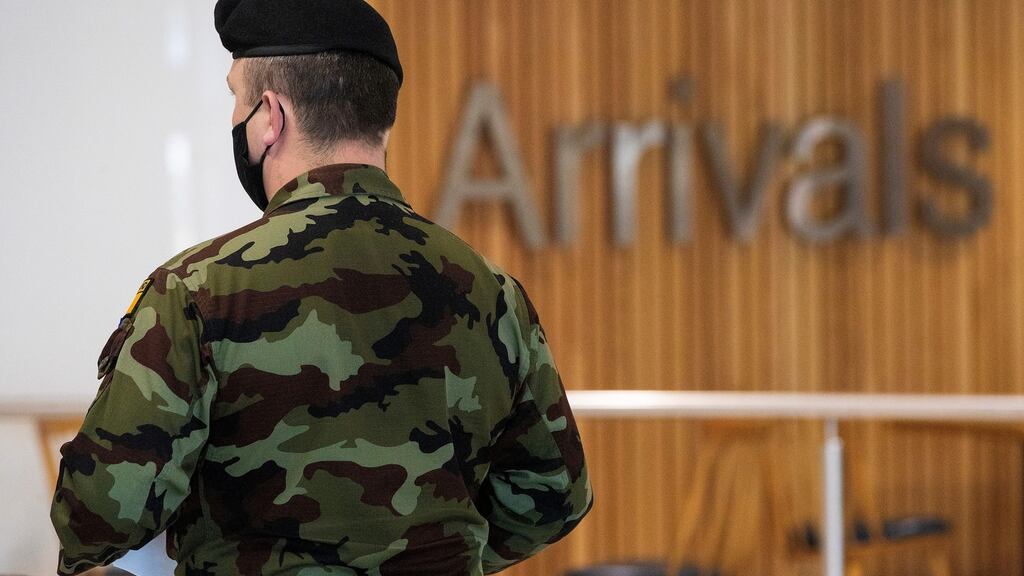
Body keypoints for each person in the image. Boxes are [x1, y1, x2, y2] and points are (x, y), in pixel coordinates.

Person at [49, 1, 593, 574]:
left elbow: (96, 515)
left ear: (270, 116)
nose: (234, 116)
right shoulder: (492, 292)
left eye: (236, 97)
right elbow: (554, 496)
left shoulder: (197, 292)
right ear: (378, 119)